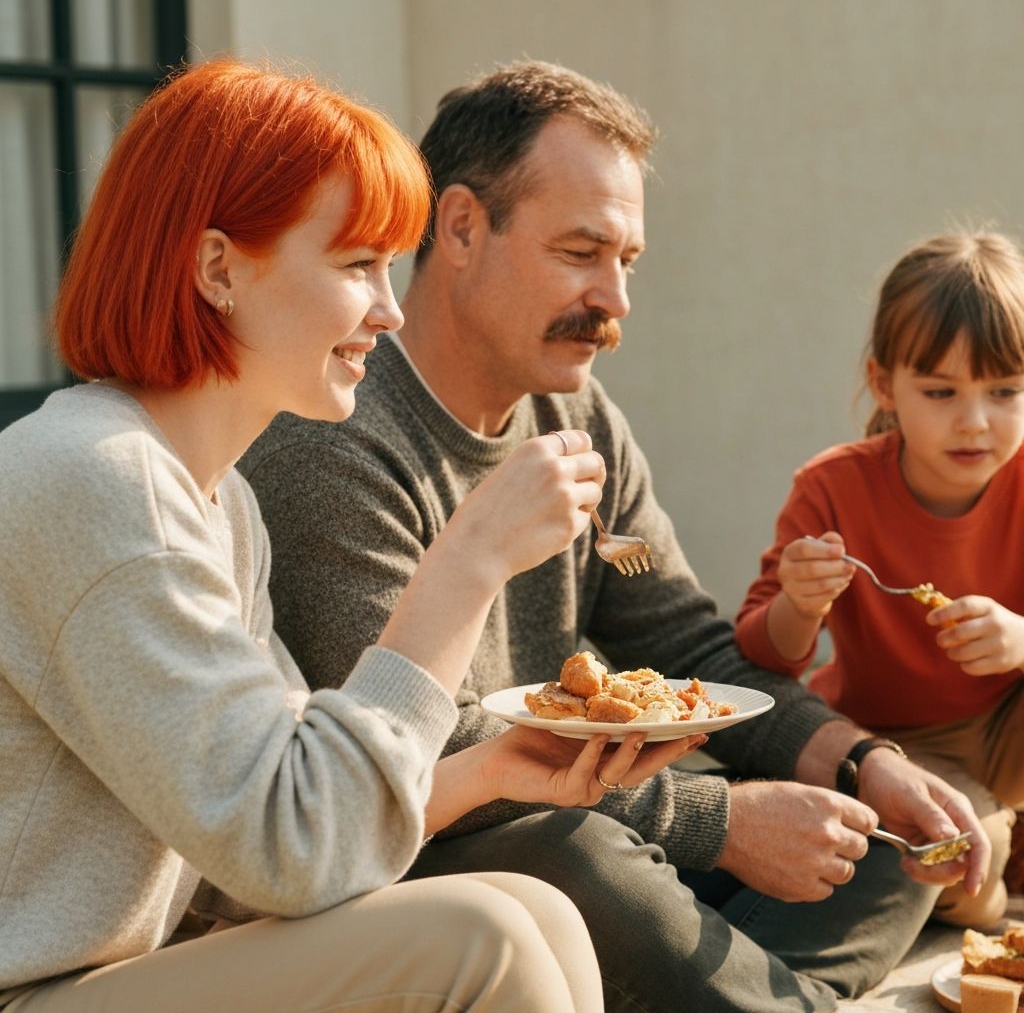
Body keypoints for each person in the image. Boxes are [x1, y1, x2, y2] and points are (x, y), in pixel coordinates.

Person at [240, 61, 989, 1011]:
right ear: (463, 227)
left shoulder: (577, 413)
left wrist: (860, 759)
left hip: (589, 812)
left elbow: (691, 647)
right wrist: (719, 823)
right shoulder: (335, 439)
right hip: (435, 849)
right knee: (584, 857)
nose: (616, 300)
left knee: (879, 842)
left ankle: (742, 993)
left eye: (626, 260)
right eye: (581, 251)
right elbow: (425, 756)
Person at [0, 58, 715, 1013]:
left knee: (530, 906)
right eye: (354, 265)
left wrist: (483, 773)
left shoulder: (217, 502)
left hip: (121, 975)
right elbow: (292, 850)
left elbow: (274, 829)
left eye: (388, 264)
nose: (388, 305)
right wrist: (468, 561)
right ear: (219, 268)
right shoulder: (97, 478)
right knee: (484, 939)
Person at [736, 231, 1024, 928]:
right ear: (882, 384)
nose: (974, 421)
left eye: (1005, 391)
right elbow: (761, 655)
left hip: (1007, 727)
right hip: (896, 744)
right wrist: (801, 605)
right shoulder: (835, 489)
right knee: (962, 857)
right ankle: (991, 872)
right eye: (940, 391)